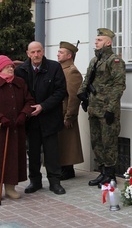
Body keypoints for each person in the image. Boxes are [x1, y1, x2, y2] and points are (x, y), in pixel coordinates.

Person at [15, 41, 67, 195]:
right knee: (33, 152)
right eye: (33, 52)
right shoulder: (21, 70)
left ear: (43, 51)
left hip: (49, 116)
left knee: (52, 153)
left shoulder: (54, 67)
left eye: (39, 51)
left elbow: (60, 92)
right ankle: (35, 182)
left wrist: (43, 106)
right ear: (27, 53)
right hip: (30, 119)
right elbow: (18, 94)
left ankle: (54, 182)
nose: (36, 55)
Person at [0, 55, 35, 202]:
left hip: (16, 128)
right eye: (7, 66)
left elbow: (29, 101)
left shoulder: (19, 82)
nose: (11, 69)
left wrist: (24, 114)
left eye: (12, 66)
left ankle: (10, 187)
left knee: (14, 157)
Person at [77, 28, 126, 188]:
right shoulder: (95, 61)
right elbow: (87, 79)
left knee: (108, 142)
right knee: (96, 141)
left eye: (99, 40)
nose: (95, 42)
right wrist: (82, 95)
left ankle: (111, 175)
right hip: (94, 108)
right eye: (96, 39)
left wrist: (111, 109)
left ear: (108, 42)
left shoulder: (114, 61)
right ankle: (103, 172)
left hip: (106, 110)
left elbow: (119, 86)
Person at [57, 41, 84, 180]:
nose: (58, 54)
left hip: (65, 113)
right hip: (58, 112)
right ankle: (63, 168)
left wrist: (70, 116)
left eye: (61, 52)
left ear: (69, 56)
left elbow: (74, 97)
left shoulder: (71, 72)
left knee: (68, 143)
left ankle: (67, 169)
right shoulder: (61, 69)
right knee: (62, 143)